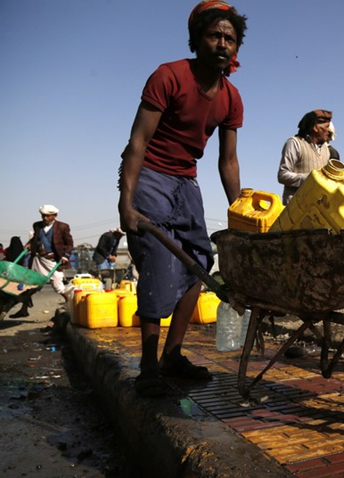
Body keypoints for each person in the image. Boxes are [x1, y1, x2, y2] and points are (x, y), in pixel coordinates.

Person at [117, 0, 248, 396]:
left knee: (200, 262)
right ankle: (148, 367)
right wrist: (126, 202)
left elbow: (228, 161)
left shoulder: (231, 97)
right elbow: (137, 142)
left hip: (186, 181)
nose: (222, 44)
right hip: (151, 175)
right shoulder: (169, 76)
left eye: (229, 38)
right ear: (197, 39)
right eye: (214, 35)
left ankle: (172, 356)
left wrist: (241, 217)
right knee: (159, 262)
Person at [10, 205, 74, 318]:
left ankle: (71, 304)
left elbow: (69, 243)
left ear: (55, 215)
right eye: (43, 215)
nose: (45, 218)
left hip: (53, 260)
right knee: (31, 284)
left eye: (48, 216)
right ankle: (24, 310)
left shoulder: (63, 226)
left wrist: (65, 256)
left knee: (57, 284)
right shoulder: (37, 225)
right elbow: (35, 238)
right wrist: (29, 243)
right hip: (39, 259)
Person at [277, 109, 334, 204]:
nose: (329, 131)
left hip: (314, 207)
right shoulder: (294, 143)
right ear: (316, 128)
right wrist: (309, 178)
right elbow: (282, 175)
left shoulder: (326, 149)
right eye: (327, 127)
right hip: (294, 206)